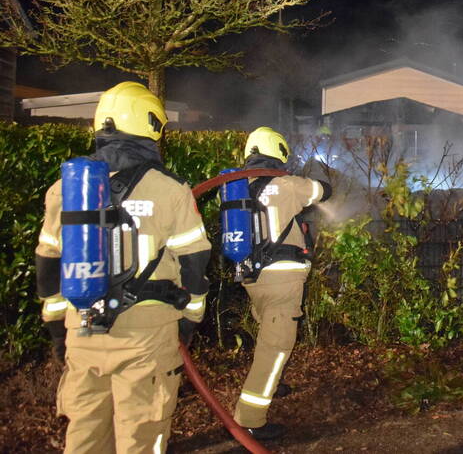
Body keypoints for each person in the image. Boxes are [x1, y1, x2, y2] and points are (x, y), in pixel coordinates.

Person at [35, 81, 211, 454]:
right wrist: (191, 317)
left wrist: (56, 331)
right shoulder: (169, 189)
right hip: (146, 334)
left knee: (84, 434)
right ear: (149, 125)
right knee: (141, 435)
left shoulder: (63, 189)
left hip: (81, 328)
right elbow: (195, 262)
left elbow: (47, 262)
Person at [229, 126, 331, 441]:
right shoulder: (285, 185)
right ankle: (250, 420)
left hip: (253, 278)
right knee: (275, 346)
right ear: (279, 152)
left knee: (270, 335)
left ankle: (276, 382)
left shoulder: (237, 186)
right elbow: (322, 191)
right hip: (282, 279)